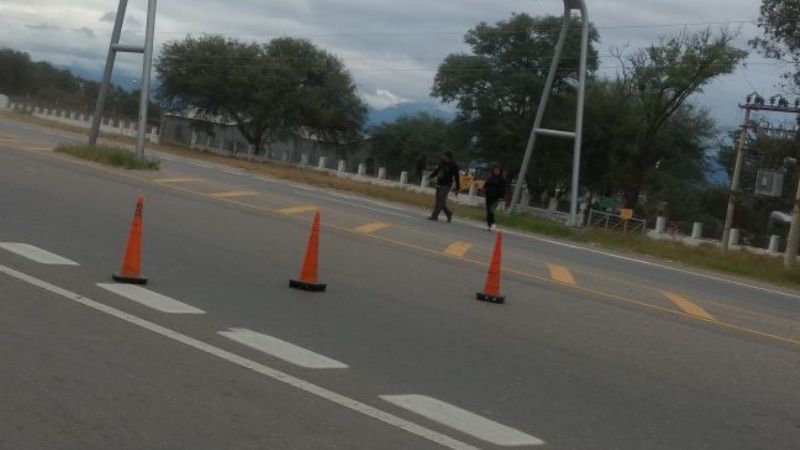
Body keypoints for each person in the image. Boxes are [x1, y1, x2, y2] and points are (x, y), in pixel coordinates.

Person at [427, 150, 460, 223]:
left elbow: (457, 177)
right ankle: (448, 213)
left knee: (441, 200)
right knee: (439, 201)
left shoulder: (453, 165)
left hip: (446, 185)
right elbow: (437, 171)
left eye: (443, 155)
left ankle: (434, 216)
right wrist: (430, 176)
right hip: (439, 184)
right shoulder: (442, 163)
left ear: (447, 156)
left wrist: (457, 188)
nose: (442, 156)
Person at [483, 163, 507, 231]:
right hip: (488, 196)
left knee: (491, 210)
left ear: (500, 171)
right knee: (488, 210)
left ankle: (493, 223)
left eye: (497, 170)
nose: (496, 171)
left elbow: (503, 189)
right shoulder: (490, 178)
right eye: (495, 170)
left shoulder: (502, 179)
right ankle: (488, 224)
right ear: (492, 170)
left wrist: (501, 197)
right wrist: (483, 189)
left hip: (496, 197)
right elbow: (485, 185)